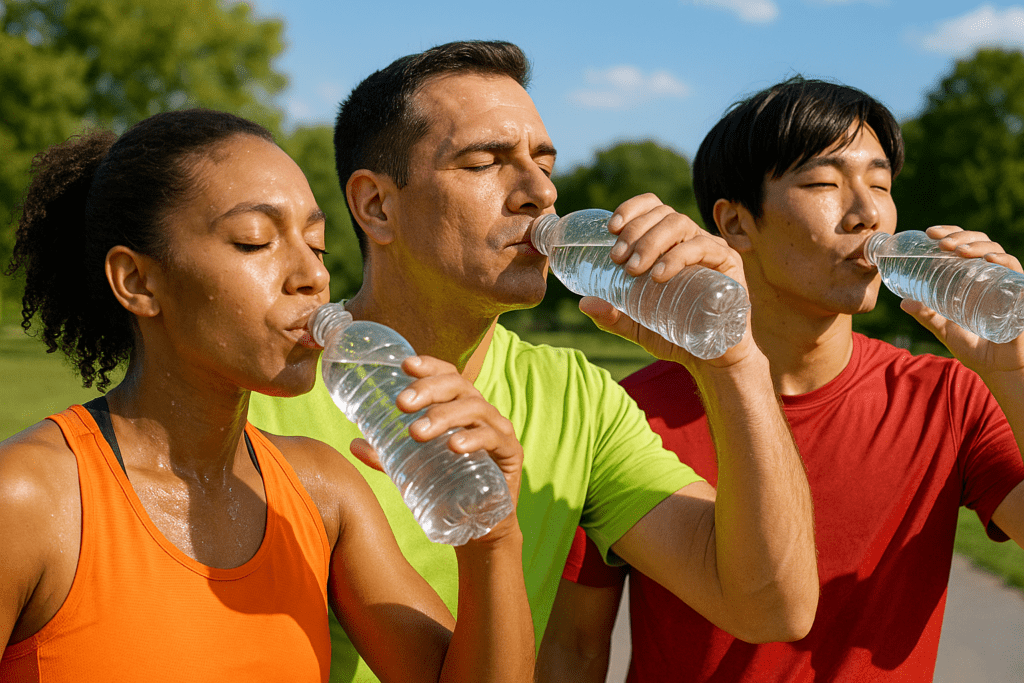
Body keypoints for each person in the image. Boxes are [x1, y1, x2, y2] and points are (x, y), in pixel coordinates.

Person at [247, 40, 819, 683]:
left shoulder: (577, 397)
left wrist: (733, 361)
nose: (540, 192)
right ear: (377, 206)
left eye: (544, 162)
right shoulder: (259, 393)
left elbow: (773, 608)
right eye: (486, 162)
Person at [0, 108, 535, 683]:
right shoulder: (30, 500)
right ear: (138, 281)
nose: (312, 275)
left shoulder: (322, 492)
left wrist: (491, 538)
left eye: (317, 244)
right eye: (255, 241)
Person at [547, 76, 1024, 682]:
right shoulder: (628, 415)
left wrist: (1015, 373)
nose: (867, 212)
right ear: (736, 223)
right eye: (825, 183)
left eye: (881, 184)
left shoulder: (949, 397)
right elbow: (572, 650)